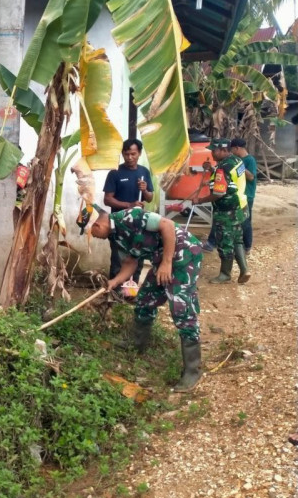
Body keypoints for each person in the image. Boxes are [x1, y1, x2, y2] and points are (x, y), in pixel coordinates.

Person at [76, 204, 204, 392]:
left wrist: (167, 263)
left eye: (91, 233)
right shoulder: (116, 235)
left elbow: (167, 225)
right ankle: (137, 343)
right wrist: (114, 281)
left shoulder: (131, 216)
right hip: (162, 260)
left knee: (181, 307)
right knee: (145, 301)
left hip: (183, 254)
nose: (94, 237)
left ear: (97, 226)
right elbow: (131, 261)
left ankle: (193, 370)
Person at [192, 138, 250, 284]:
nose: (211, 153)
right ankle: (245, 270)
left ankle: (225, 274)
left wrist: (200, 200)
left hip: (226, 211)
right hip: (240, 207)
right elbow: (230, 180)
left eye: (214, 150)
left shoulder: (222, 168)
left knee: (224, 242)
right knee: (237, 239)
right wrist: (212, 170)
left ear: (224, 150)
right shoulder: (237, 161)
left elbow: (219, 193)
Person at [103, 138, 154, 283]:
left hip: (138, 223)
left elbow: (149, 198)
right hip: (118, 223)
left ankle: (132, 291)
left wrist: (145, 190)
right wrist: (129, 205)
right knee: (118, 258)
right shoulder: (115, 173)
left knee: (137, 257)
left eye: (133, 154)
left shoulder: (144, 172)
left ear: (139, 153)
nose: (130, 157)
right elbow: (107, 199)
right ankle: (115, 292)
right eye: (126, 154)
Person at [230, 138, 256, 255]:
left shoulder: (249, 160)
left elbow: (251, 177)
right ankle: (238, 244)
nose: (231, 152)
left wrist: (240, 165)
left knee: (246, 221)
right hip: (238, 194)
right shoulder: (237, 159)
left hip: (247, 195)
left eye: (232, 149)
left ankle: (247, 246)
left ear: (237, 148)